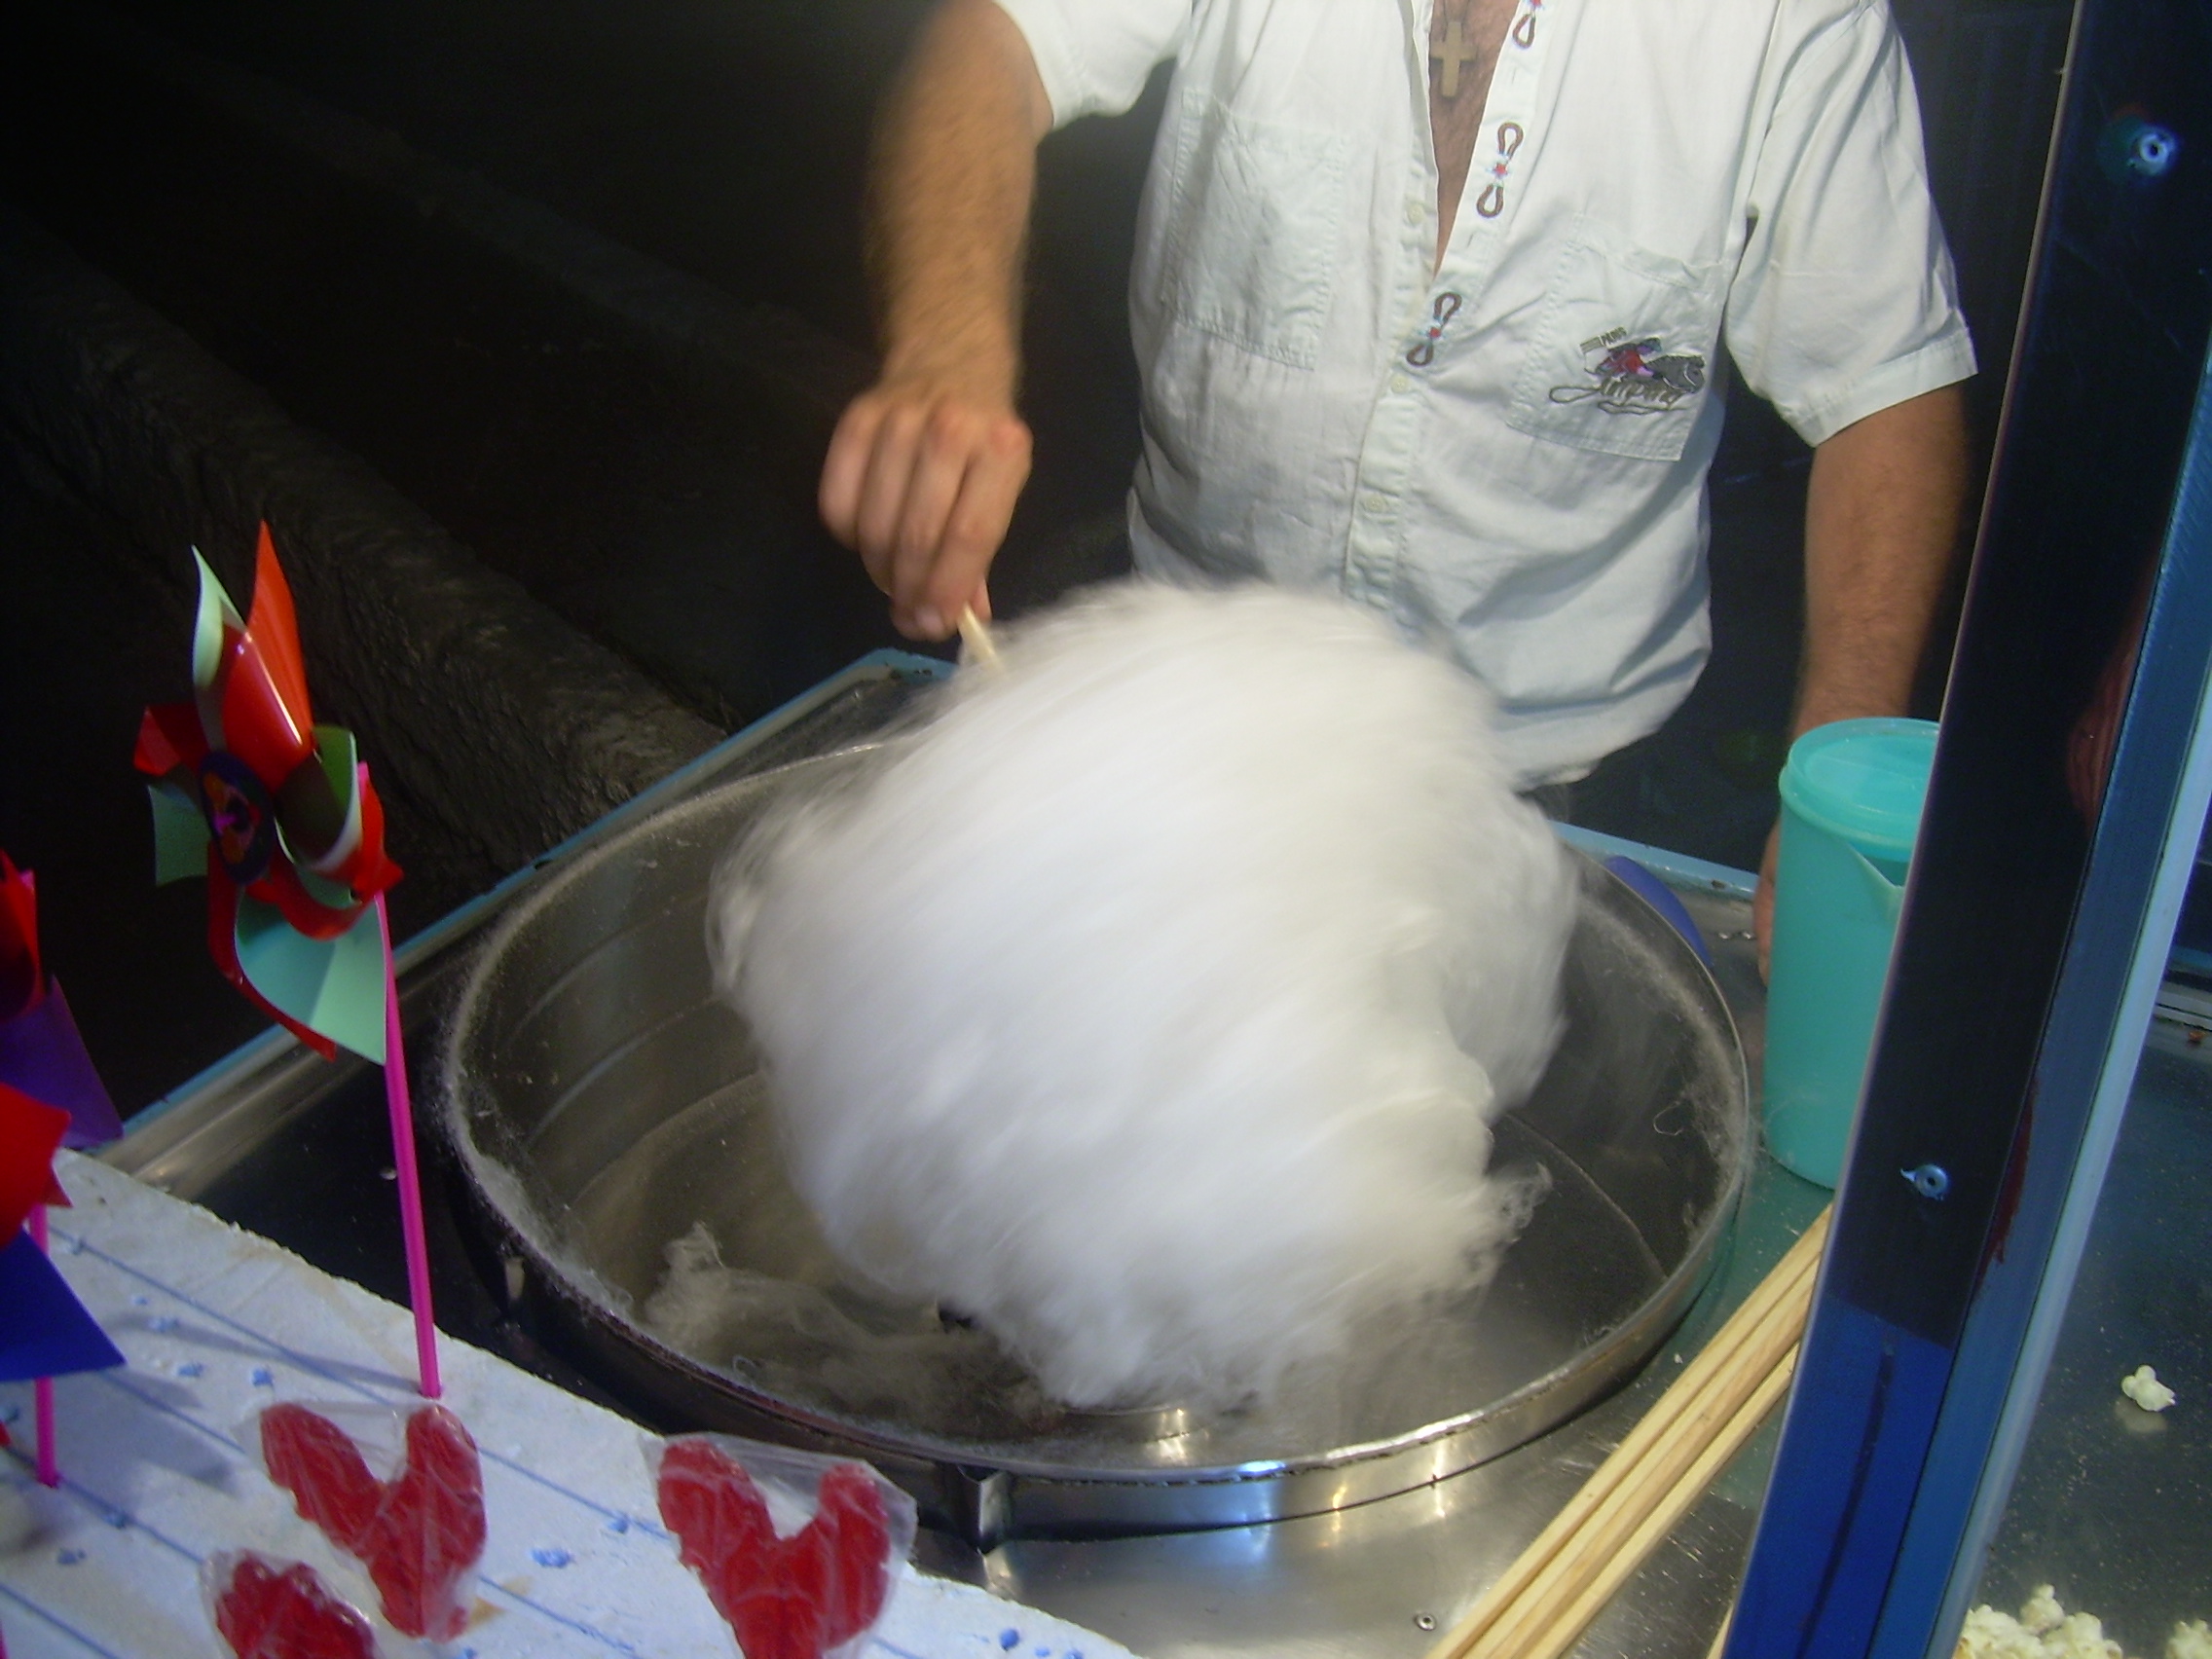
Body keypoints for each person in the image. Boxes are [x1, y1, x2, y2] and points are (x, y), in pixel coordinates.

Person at [818, 0, 1973, 961]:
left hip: (1547, 796)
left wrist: (1836, 788)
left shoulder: (1791, 23)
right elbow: (992, 42)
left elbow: (1886, 392)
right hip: (1183, 731)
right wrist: (943, 350)